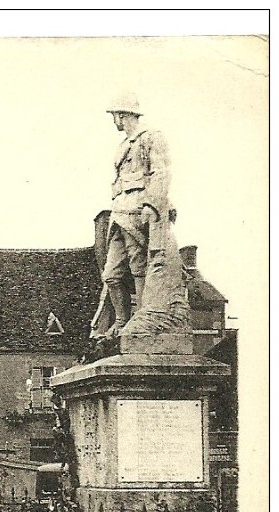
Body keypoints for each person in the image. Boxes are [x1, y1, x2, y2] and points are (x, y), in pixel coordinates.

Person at [95, 91, 171, 340]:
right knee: (111, 274)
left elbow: (160, 173)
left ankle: (141, 319)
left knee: (139, 268)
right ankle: (121, 320)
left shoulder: (150, 138)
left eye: (115, 115)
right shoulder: (123, 146)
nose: (113, 120)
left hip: (137, 209)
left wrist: (152, 205)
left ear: (123, 115)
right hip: (119, 211)